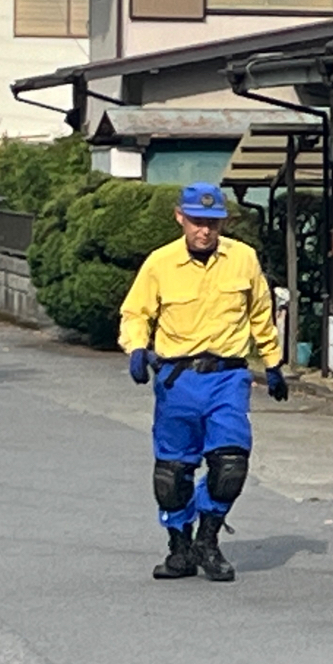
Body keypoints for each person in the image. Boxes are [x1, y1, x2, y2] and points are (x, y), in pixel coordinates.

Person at [120, 182, 289, 583]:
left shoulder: (242, 259)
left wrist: (273, 362)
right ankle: (179, 547)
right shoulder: (160, 263)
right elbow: (136, 312)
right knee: (172, 472)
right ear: (180, 217)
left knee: (230, 464)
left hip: (227, 376)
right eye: (197, 221)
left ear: (223, 223)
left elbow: (260, 313)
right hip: (178, 380)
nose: (204, 230)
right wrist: (137, 348)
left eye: (213, 223)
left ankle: (207, 539)